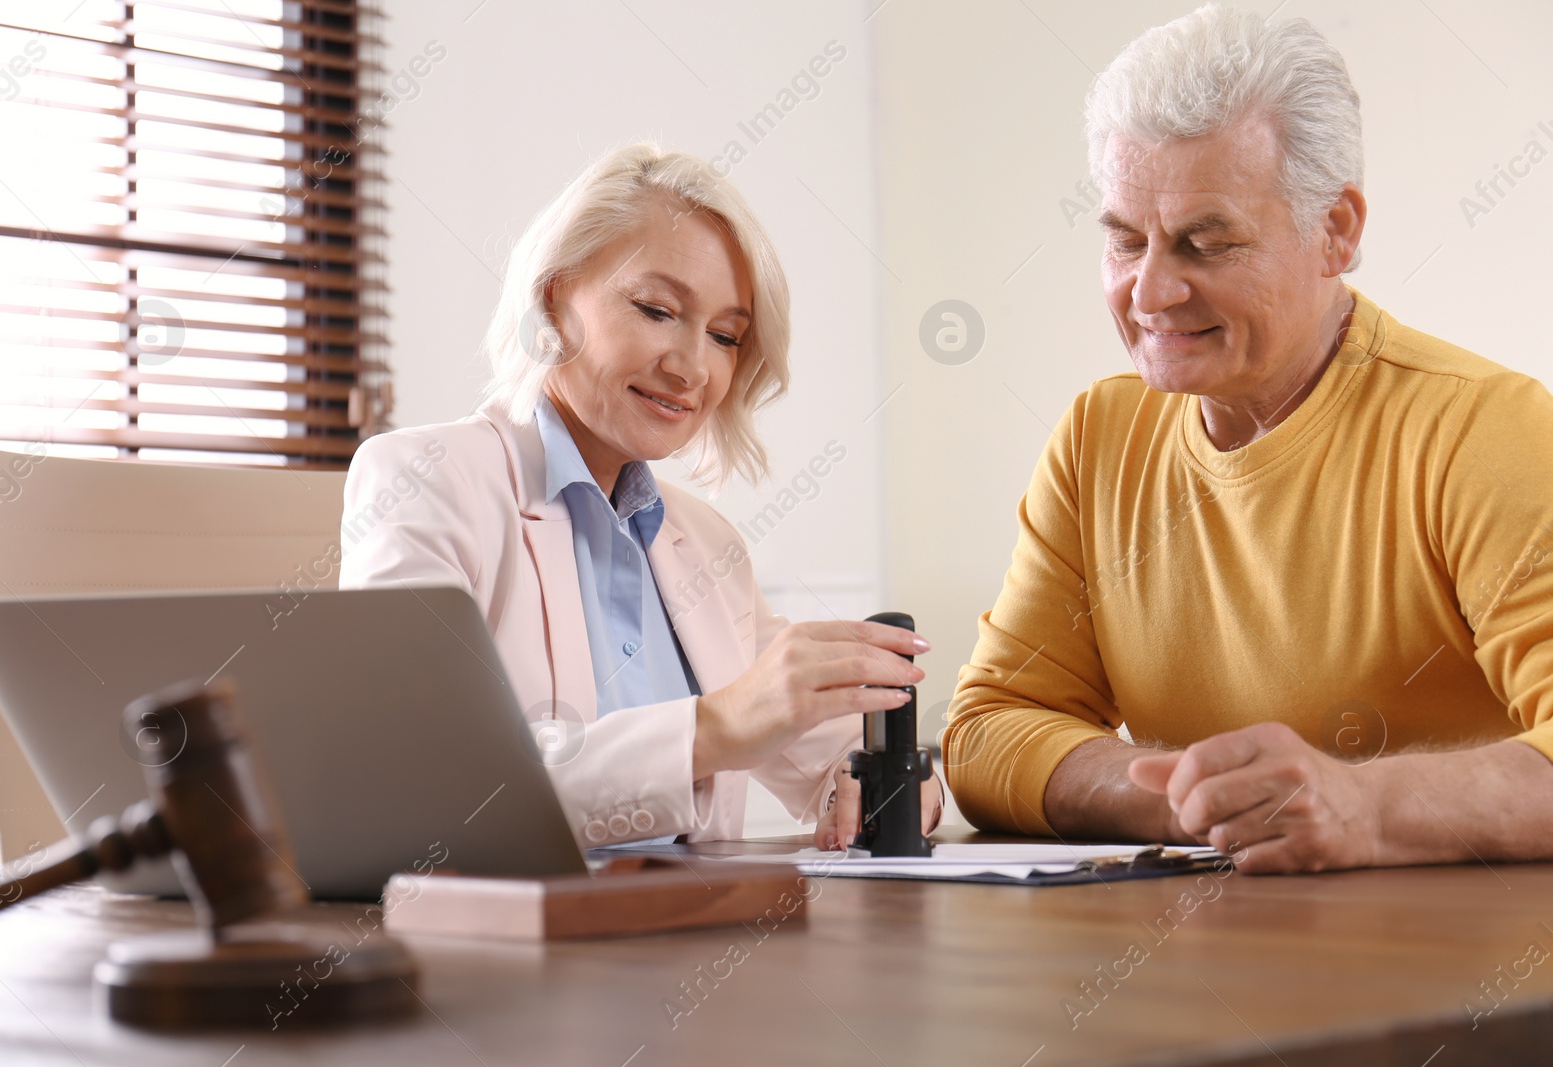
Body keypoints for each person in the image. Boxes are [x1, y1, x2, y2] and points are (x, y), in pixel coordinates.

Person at [945, 4, 1553, 873]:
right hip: (1207, 975)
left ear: (1336, 230)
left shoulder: (1484, 429)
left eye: (1205, 243)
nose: (1149, 292)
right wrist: (1197, 796)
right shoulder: (1098, 438)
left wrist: (1364, 807)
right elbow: (988, 734)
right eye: (1124, 240)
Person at [341, 144, 941, 850]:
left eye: (725, 336)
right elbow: (417, 782)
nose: (691, 367)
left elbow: (837, 758)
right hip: (505, 950)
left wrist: (893, 783)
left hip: (691, 946)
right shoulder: (426, 479)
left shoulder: (707, 543)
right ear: (557, 297)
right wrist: (712, 729)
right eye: (656, 309)